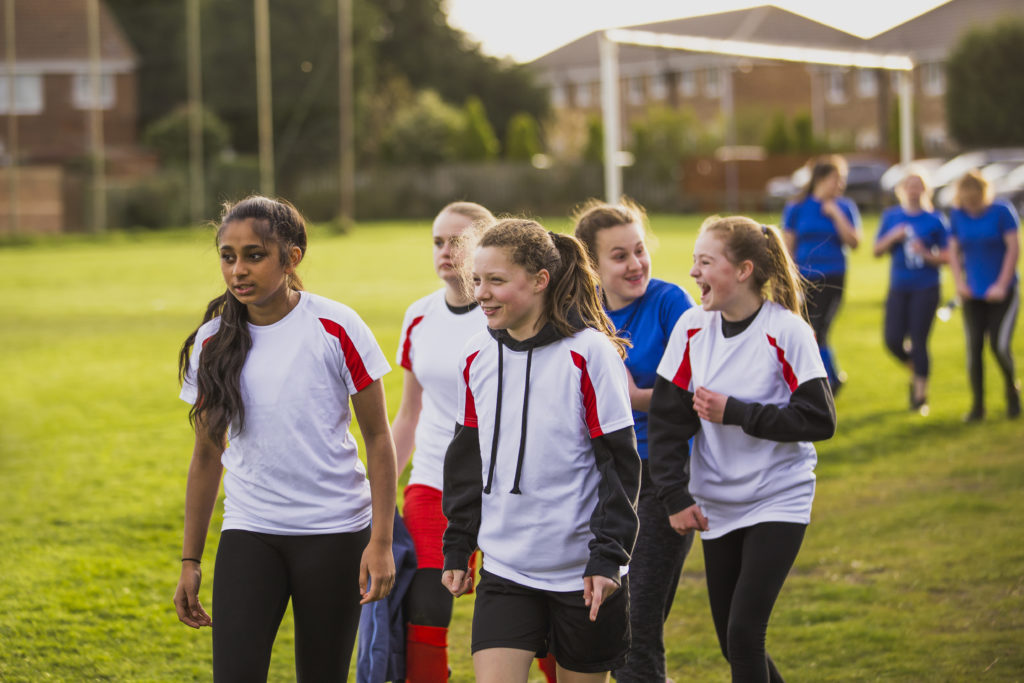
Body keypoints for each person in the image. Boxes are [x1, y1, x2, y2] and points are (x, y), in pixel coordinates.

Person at [173, 196, 397, 681]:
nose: (238, 270)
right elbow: (207, 456)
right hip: (251, 530)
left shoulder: (337, 327)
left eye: (254, 255)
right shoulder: (212, 342)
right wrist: (190, 560)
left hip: (336, 533)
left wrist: (381, 540)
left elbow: (379, 438)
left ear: (291, 257)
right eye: (227, 256)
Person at [441, 219, 641, 683]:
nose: (482, 294)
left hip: (584, 575)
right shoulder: (474, 355)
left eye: (496, 280)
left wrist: (608, 557)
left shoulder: (589, 354)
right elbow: (467, 459)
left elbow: (620, 466)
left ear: (539, 281)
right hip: (506, 571)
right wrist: (459, 545)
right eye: (477, 280)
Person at [649, 216, 836, 683]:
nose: (693, 272)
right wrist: (675, 495)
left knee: (744, 634)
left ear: (744, 270)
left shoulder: (785, 331)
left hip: (778, 496)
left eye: (706, 262)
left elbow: (819, 419)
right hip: (718, 504)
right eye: (695, 260)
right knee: (731, 643)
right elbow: (669, 421)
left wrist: (737, 412)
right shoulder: (692, 328)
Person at [572, 198, 694, 683]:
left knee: (634, 621)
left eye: (639, 250)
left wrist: (634, 396)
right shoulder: (581, 314)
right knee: (612, 618)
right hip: (600, 479)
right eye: (619, 256)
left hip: (662, 476)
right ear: (592, 265)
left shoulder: (670, 302)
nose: (636, 264)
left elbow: (692, 394)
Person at [390, 201, 498, 680]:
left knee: (529, 617)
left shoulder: (506, 314)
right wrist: (379, 492)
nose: (446, 251)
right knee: (425, 612)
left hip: (506, 490)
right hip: (433, 483)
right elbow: (408, 414)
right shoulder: (419, 316)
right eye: (438, 241)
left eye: (459, 241)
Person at [782, 155, 862, 395]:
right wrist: (789, 279)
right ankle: (828, 377)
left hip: (834, 275)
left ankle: (829, 380)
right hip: (805, 277)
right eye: (836, 179)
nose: (840, 185)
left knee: (821, 325)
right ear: (821, 178)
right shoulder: (797, 207)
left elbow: (854, 242)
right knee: (808, 327)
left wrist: (836, 215)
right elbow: (787, 245)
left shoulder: (844, 206)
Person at [873, 170, 949, 414]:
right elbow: (876, 250)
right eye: (910, 185)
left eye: (919, 185)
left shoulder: (935, 220)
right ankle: (917, 371)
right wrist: (893, 237)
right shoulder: (892, 216)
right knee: (892, 340)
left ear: (926, 190)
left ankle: (919, 397)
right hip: (899, 287)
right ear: (902, 189)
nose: (914, 190)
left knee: (919, 341)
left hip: (926, 287)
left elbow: (948, 255)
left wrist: (927, 255)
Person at [948, 170, 1021, 421]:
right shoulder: (957, 216)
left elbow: (1013, 248)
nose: (972, 205)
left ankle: (1012, 392)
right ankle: (978, 407)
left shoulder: (1002, 211)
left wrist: (1001, 284)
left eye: (975, 200)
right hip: (973, 294)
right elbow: (953, 253)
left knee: (999, 346)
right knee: (974, 348)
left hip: (1003, 292)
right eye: (967, 200)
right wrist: (959, 283)